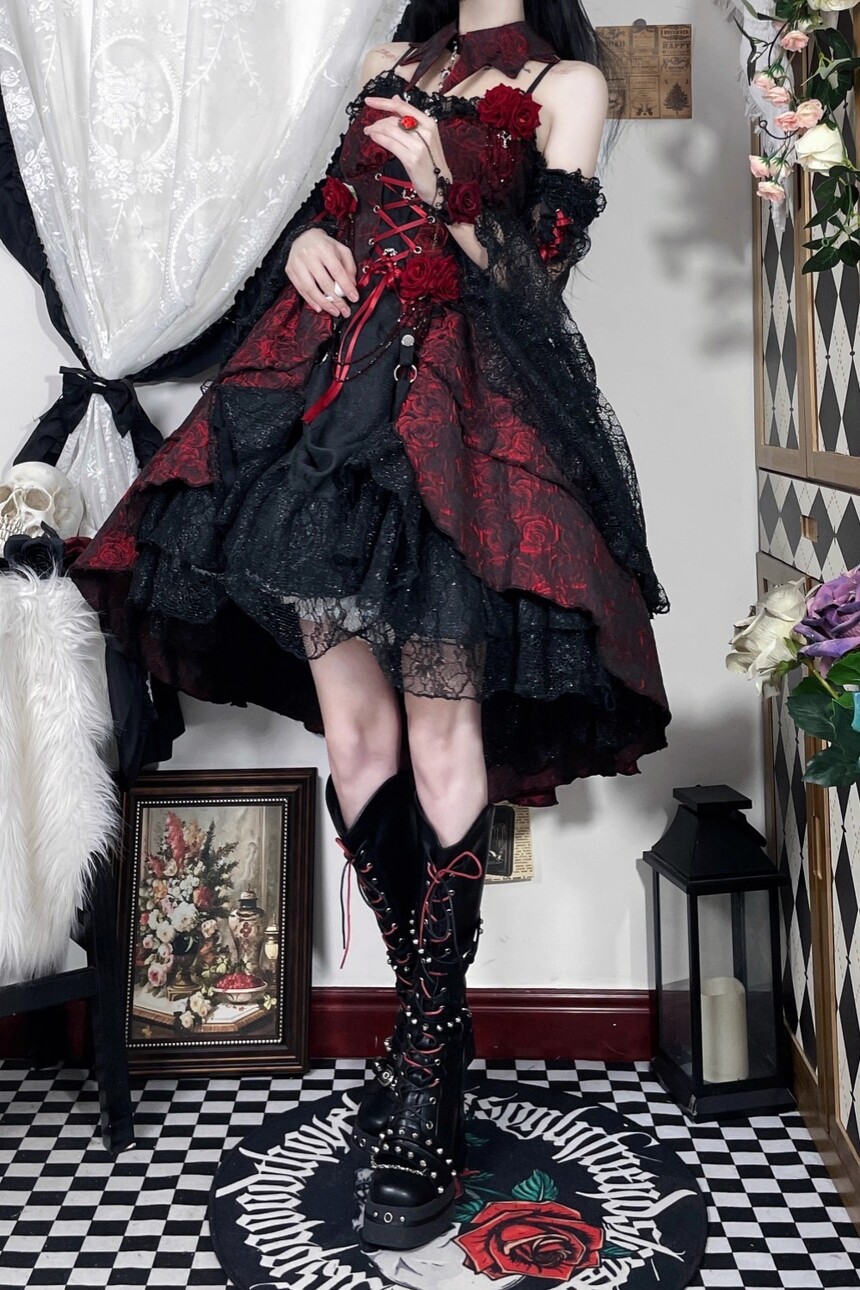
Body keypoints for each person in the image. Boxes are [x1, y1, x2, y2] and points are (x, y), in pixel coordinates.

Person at [70, 0, 672, 1250]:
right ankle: (427, 1033)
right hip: (322, 420)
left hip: (460, 432)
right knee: (355, 734)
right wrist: (305, 241)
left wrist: (440, 181)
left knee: (444, 732)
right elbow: (326, 208)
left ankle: (426, 1062)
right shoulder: (384, 56)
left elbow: (534, 282)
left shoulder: (566, 85)